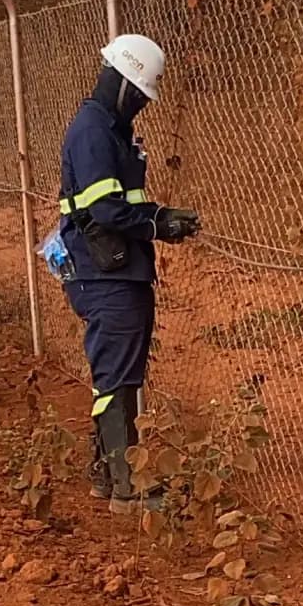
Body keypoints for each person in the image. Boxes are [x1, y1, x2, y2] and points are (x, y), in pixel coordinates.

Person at [58, 33, 199, 509]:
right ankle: (126, 484)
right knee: (117, 377)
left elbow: (121, 203)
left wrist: (159, 215)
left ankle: (107, 472)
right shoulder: (94, 131)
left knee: (117, 373)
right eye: (139, 94)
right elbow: (105, 209)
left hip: (116, 271)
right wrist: (157, 224)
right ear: (121, 82)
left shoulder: (109, 129)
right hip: (106, 275)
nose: (142, 103)